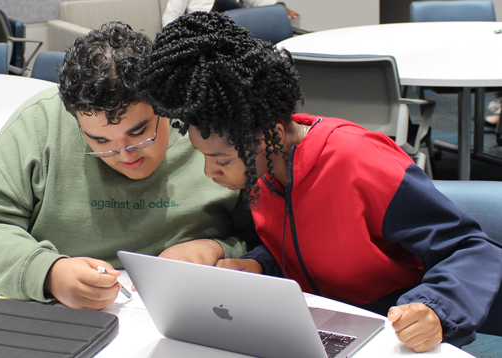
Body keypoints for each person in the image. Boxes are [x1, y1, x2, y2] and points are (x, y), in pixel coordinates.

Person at [139, 11, 502, 352]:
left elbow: (471, 248)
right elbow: (308, 243)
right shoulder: (264, 172)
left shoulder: (360, 163)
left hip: (391, 328)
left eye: (220, 160)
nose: (209, 172)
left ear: (273, 135)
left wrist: (436, 309)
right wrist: (260, 264)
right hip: (321, 324)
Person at [0, 21, 257, 311]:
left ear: (166, 106)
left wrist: (216, 249)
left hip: (200, 306)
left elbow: (271, 239)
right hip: (63, 314)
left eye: (138, 133)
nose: (124, 155)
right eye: (99, 142)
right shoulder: (39, 125)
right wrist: (48, 272)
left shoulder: (211, 126)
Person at [161, 0, 300, 27]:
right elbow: (172, 12)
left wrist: (277, 6)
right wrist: (172, 35)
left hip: (235, 17)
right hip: (206, 21)